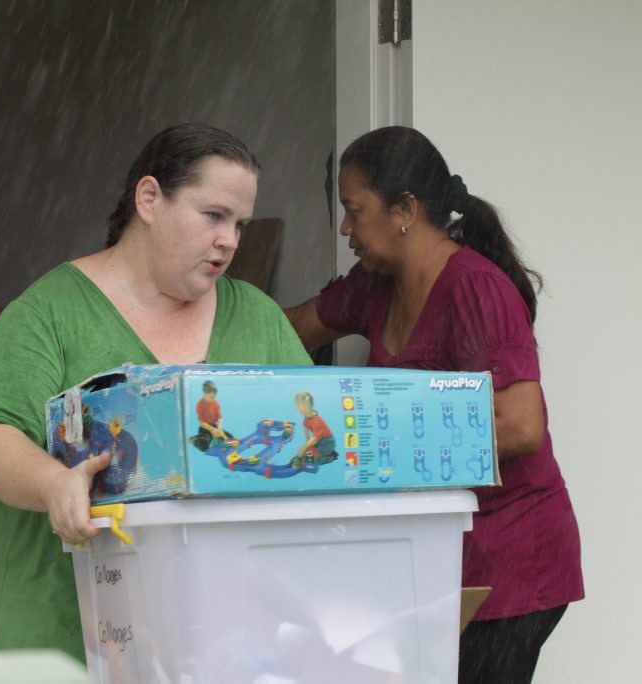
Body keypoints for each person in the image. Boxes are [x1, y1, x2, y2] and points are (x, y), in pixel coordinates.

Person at [0, 123, 312, 660]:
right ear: (150, 199)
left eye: (240, 223)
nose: (229, 239)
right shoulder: (49, 313)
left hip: (215, 647)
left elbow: (314, 451)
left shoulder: (257, 317)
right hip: (59, 640)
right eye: (213, 215)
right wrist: (52, 485)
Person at [283, 125, 583, 683]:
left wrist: (373, 440)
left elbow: (519, 426)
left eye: (354, 209)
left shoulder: (476, 288)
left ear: (405, 209)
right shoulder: (374, 283)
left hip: (514, 552)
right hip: (440, 554)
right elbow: (289, 330)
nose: (346, 228)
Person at [293, 391, 337, 466]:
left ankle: (331, 456)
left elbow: (311, 441)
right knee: (308, 455)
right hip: (318, 440)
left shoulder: (317, 422)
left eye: (299, 405)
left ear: (306, 406)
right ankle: (321, 453)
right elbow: (307, 440)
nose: (298, 408)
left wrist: (301, 451)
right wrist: (305, 452)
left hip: (328, 442)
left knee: (315, 461)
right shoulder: (307, 418)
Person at [191, 380, 232, 452]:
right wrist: (212, 430)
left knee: (230, 438)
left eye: (214, 397)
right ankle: (196, 439)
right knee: (204, 447)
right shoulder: (200, 405)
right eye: (211, 397)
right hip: (205, 428)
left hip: (214, 425)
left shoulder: (215, 403)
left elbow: (219, 417)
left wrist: (219, 427)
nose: (213, 399)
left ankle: (221, 446)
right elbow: (202, 422)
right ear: (205, 394)